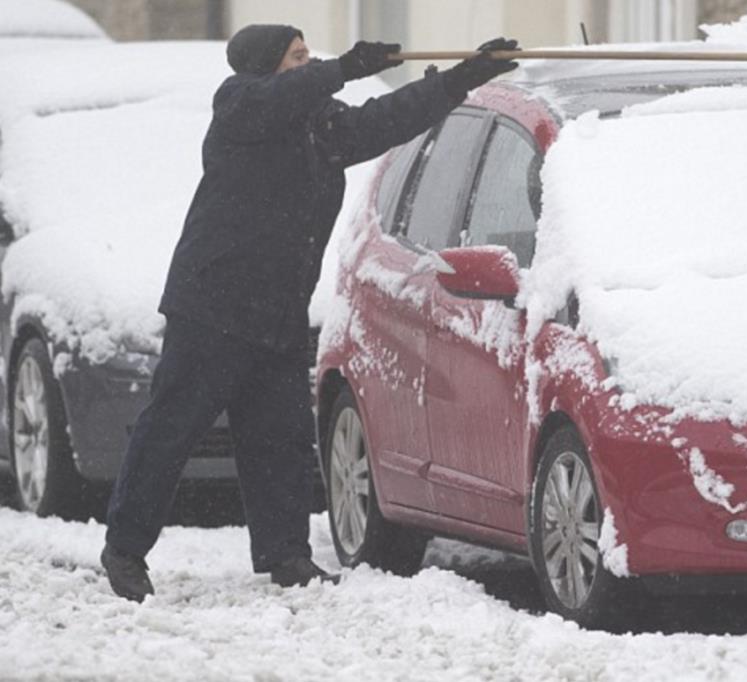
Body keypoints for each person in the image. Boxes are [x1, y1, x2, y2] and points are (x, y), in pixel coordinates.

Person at [100, 24, 519, 602]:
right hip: (212, 307)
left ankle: (286, 555)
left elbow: (386, 119)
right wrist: (346, 67)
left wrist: (463, 77)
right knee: (171, 431)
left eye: (308, 54)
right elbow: (275, 98)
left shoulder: (320, 127)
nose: (308, 63)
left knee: (280, 437)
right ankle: (124, 550)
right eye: (297, 56)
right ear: (266, 66)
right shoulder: (239, 107)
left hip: (277, 312)